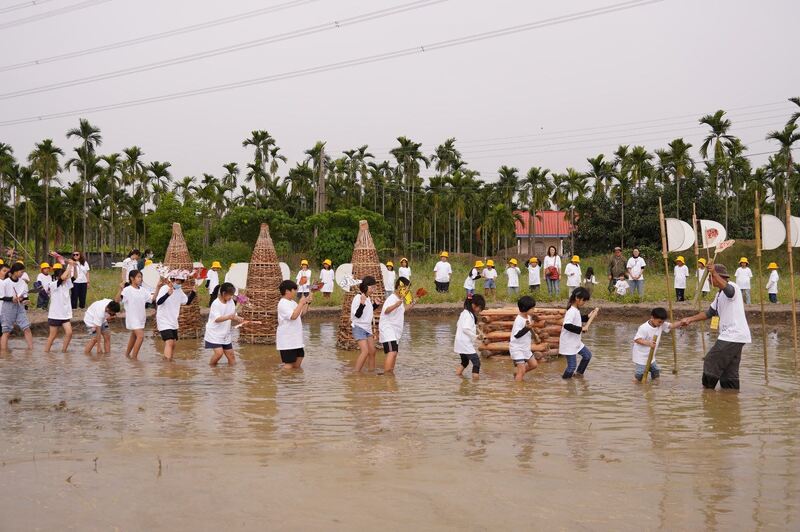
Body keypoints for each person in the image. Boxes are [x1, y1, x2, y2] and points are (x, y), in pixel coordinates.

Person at [678, 264, 751, 390]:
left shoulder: (733, 287)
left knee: (710, 361)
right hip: (735, 337)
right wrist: (690, 319)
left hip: (733, 334)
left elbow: (729, 291)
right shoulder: (718, 295)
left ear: (718, 277)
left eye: (710, 277)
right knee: (729, 372)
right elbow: (710, 313)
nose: (708, 280)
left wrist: (715, 274)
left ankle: (707, 392)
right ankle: (730, 397)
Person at [155, 272, 197, 361]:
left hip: (173, 321)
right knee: (169, 341)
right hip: (163, 320)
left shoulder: (179, 290)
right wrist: (167, 294)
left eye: (181, 281)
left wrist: (193, 293)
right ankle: (168, 365)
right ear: (172, 279)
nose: (180, 284)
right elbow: (158, 302)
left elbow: (187, 302)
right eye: (178, 281)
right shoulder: (165, 288)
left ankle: (168, 359)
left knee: (173, 343)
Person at [379, 276, 414, 375]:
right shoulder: (392, 298)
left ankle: (390, 374)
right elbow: (386, 311)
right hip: (388, 328)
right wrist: (396, 305)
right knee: (392, 352)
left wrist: (414, 302)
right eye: (406, 288)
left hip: (395, 330)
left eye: (408, 289)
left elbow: (402, 310)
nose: (407, 291)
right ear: (399, 287)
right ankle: (386, 375)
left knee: (395, 353)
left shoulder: (399, 299)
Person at [560, 287, 596, 379]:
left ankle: (579, 375)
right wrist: (581, 329)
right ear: (577, 298)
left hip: (575, 341)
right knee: (571, 366)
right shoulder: (571, 311)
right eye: (584, 300)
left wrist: (588, 316)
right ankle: (566, 381)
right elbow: (567, 325)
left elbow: (579, 318)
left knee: (587, 356)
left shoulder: (575, 310)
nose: (584, 303)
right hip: (569, 343)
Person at [116, 270, 152, 359]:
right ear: (132, 278)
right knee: (140, 336)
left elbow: (152, 299)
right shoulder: (127, 290)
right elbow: (117, 300)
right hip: (132, 318)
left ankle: (127, 355)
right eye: (138, 277)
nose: (140, 279)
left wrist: (159, 287)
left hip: (140, 317)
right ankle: (134, 358)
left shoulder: (143, 290)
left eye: (141, 277)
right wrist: (120, 289)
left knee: (134, 336)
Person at [276, 279, 312, 369]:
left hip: (296, 340)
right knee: (289, 365)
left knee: (298, 363)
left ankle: (294, 382)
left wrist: (307, 302)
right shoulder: (282, 303)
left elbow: (302, 313)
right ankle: (285, 380)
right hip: (287, 341)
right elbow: (293, 316)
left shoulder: (292, 302)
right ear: (287, 291)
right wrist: (301, 303)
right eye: (294, 290)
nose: (296, 292)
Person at [206, 282, 244, 366]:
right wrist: (229, 317)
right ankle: (211, 369)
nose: (231, 297)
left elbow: (233, 315)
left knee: (231, 356)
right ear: (223, 293)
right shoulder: (216, 304)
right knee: (219, 353)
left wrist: (238, 318)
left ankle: (230, 375)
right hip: (214, 333)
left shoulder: (230, 302)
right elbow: (217, 319)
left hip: (225, 333)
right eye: (230, 295)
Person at [632, 307, 673, 382]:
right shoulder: (644, 328)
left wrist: (682, 323)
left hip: (651, 357)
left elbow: (671, 326)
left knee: (656, 371)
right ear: (652, 318)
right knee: (639, 375)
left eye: (663, 322)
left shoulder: (660, 324)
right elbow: (637, 339)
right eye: (659, 322)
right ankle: (635, 387)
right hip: (641, 357)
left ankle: (655, 385)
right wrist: (648, 343)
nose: (661, 324)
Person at [0, 263, 33, 351]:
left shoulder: (23, 283)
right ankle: (4, 353)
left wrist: (26, 300)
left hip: (20, 307)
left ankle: (31, 350)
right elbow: (1, 297)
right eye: (21, 272)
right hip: (8, 307)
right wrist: (12, 298)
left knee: (26, 328)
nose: (22, 274)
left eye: (23, 272)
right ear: (15, 272)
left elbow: (25, 297)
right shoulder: (5, 282)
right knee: (6, 331)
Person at [352, 276, 380, 372]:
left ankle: (371, 372)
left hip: (367, 328)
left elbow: (368, 311)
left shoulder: (367, 298)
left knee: (372, 351)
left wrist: (375, 304)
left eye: (374, 288)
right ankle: (355, 373)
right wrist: (362, 303)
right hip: (359, 327)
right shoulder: (358, 297)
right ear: (366, 287)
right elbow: (357, 315)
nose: (373, 290)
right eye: (372, 288)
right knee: (365, 351)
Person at [455, 294, 486, 380]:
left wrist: (475, 329)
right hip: (464, 343)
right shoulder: (469, 315)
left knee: (465, 362)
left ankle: (458, 377)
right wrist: (476, 336)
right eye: (479, 308)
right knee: (477, 363)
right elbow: (465, 329)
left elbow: (459, 325)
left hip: (459, 342)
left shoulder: (464, 313)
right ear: (473, 305)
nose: (479, 311)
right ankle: (475, 385)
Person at [45, 261, 74, 353]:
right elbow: (62, 278)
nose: (67, 277)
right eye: (65, 276)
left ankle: (64, 351)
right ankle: (46, 352)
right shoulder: (53, 284)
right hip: (55, 315)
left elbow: (73, 277)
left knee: (69, 333)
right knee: (52, 336)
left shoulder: (67, 284)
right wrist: (70, 266)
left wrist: (72, 266)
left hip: (65, 315)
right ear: (58, 277)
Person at [509, 295, 539, 381]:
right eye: (532, 308)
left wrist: (535, 336)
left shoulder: (528, 317)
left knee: (534, 365)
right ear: (526, 309)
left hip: (525, 347)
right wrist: (527, 328)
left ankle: (518, 374)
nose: (534, 310)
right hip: (517, 348)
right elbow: (517, 335)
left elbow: (530, 328)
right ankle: (518, 391)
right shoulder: (518, 320)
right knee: (521, 370)